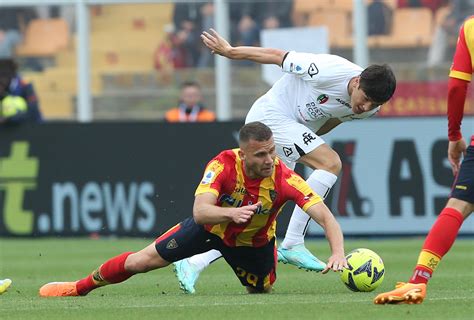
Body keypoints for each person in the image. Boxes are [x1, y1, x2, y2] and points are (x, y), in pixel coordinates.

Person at [173, 28, 396, 294]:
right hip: (270, 115)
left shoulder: (369, 110)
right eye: (366, 99)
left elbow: (329, 121)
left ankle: (195, 260)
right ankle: (293, 242)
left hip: (292, 129)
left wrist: (303, 141)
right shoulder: (328, 70)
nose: (366, 107)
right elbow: (277, 56)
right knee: (331, 162)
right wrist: (232, 52)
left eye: (374, 104)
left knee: (265, 209)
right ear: (357, 81)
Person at [38, 122, 348, 297]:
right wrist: (231, 214)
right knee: (140, 261)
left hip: (252, 245)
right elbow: (201, 212)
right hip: (206, 230)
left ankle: (254, 266)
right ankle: (77, 288)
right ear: (243, 154)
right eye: (261, 155)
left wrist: (337, 252)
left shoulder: (285, 179)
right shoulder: (223, 164)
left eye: (272, 152)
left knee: (261, 289)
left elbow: (325, 217)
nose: (269, 160)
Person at [374, 15, 473, 305]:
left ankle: (418, 281)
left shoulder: (470, 27)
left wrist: (454, 135)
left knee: (457, 207)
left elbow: (457, 87)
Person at [0, 59, 42, 125]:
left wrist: (8, 119)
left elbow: (33, 112)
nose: (1, 79)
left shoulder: (26, 87)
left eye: (3, 75)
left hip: (32, 129)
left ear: (12, 74)